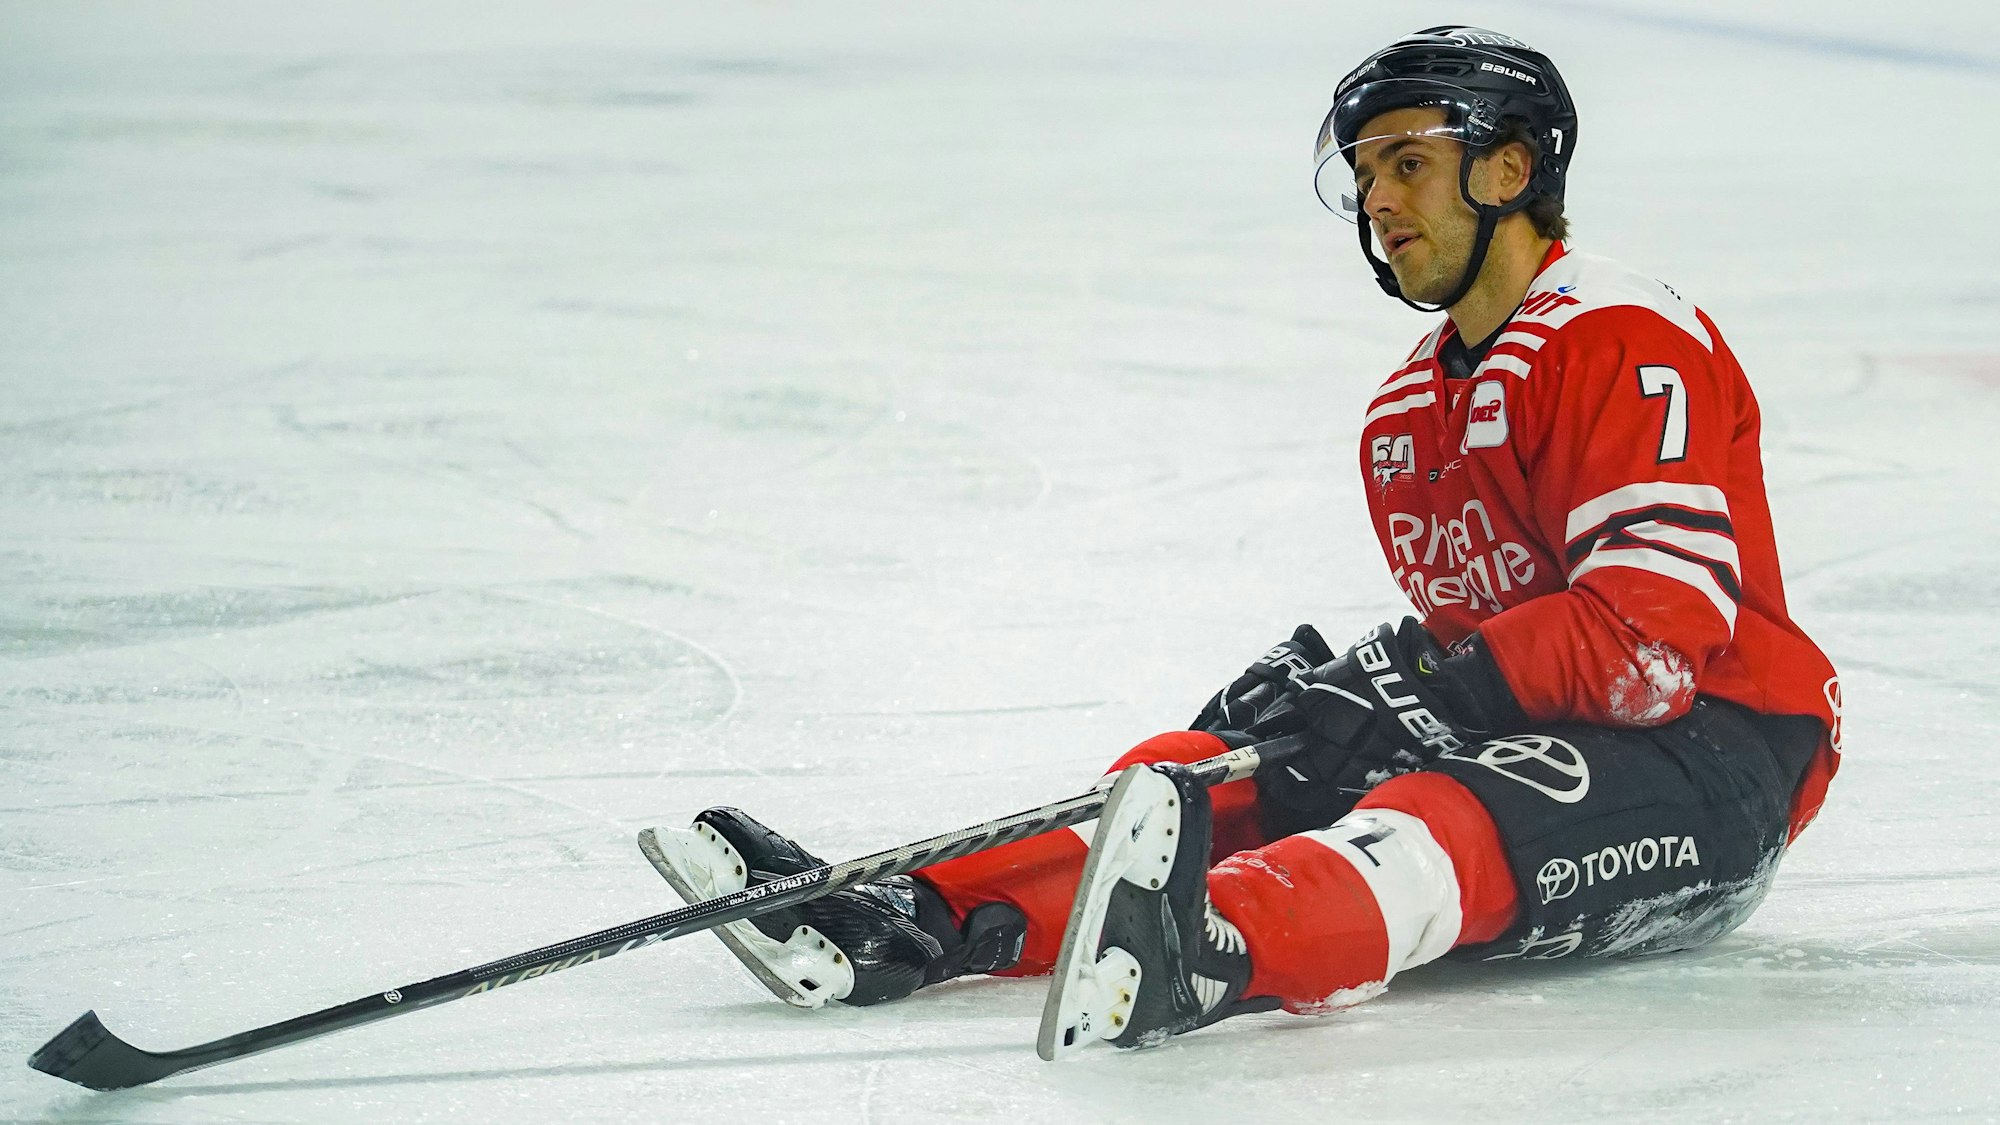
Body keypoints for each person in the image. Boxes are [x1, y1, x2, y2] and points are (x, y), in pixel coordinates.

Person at [647, 26, 1842, 1055]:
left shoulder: (1616, 334)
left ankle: (1210, 951)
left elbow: (1650, 640)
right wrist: (1363, 684)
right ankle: (915, 921)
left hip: (1711, 761)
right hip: (1551, 723)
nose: (1376, 200)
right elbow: (1489, 628)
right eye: (1367, 171)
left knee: (1424, 815)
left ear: (1511, 170)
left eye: (1410, 163)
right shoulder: (1404, 409)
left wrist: (1429, 685)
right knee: (1208, 765)